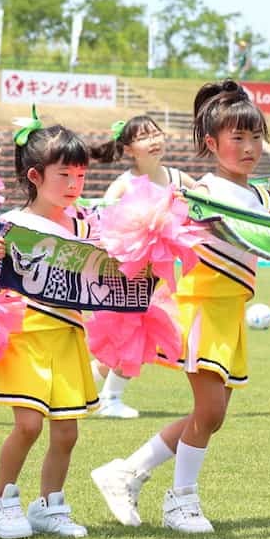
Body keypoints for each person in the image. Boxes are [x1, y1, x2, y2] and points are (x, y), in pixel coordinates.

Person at [91, 79, 270, 534]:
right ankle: (181, 502)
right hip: (200, 309)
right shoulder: (201, 192)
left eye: (255, 137)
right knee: (211, 412)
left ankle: (127, 472)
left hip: (233, 312)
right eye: (237, 138)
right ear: (211, 143)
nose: (249, 147)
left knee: (210, 417)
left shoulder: (263, 197)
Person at [0, 120, 98, 539]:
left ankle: (50, 504)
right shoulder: (13, 223)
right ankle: (1, 499)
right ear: (35, 176)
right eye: (64, 174)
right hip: (24, 333)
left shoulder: (84, 225)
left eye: (80, 175)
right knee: (28, 425)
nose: (73, 184)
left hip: (68, 335)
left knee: (67, 431)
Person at [88, 115, 196, 419]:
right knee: (122, 340)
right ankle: (92, 395)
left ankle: (103, 396)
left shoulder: (177, 178)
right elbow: (101, 221)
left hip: (158, 277)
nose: (154, 140)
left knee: (139, 339)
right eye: (145, 136)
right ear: (129, 149)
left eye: (157, 133)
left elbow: (206, 200)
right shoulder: (124, 184)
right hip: (124, 274)